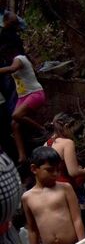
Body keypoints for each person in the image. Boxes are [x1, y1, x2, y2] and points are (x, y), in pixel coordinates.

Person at [21, 146, 84, 244]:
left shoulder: (65, 188)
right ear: (34, 169)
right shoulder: (27, 198)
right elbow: (32, 230)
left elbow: (76, 218)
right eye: (49, 170)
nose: (55, 174)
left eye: (57, 170)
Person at [0, 29, 46, 164]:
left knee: (16, 116)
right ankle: (22, 156)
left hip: (35, 93)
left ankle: (42, 129)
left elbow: (12, 69)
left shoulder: (20, 59)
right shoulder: (14, 60)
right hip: (23, 97)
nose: (5, 58)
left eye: (6, 54)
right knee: (14, 124)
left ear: (11, 51)